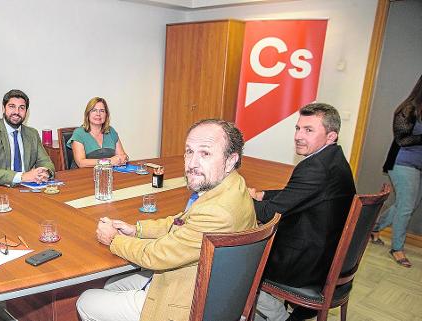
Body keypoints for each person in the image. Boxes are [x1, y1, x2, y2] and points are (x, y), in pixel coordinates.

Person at [76, 119, 257, 321]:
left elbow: (156, 255)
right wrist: (136, 230)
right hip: (206, 283)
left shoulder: (217, 213)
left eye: (205, 153)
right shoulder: (234, 185)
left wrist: (113, 239)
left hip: (189, 303)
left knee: (86, 300)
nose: (192, 163)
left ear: (231, 160)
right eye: (189, 151)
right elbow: (181, 222)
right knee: (111, 285)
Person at [250, 103, 356, 321]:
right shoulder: (333, 159)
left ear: (330, 136)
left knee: (238, 262)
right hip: (326, 254)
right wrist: (262, 195)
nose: (299, 136)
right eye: (298, 128)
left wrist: (237, 197)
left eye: (309, 130)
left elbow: (269, 213)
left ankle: (279, 316)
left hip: (306, 264)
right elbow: (300, 192)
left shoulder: (316, 167)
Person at [372, 74, 422, 268]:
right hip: (402, 163)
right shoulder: (408, 108)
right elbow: (402, 139)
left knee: (406, 204)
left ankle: (374, 228)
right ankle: (397, 248)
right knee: (406, 207)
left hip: (418, 166)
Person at [0, 89, 55, 187]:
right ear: (3, 108)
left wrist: (45, 172)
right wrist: (23, 176)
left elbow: (45, 161)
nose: (16, 112)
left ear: (26, 111)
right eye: (12, 107)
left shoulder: (32, 134)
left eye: (21, 108)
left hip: (25, 188)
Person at [67, 97, 129, 168]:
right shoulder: (79, 133)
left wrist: (124, 158)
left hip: (108, 174)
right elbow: (81, 163)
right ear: (88, 114)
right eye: (94, 110)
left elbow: (122, 155)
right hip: (83, 175)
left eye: (102, 111)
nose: (98, 114)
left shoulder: (111, 131)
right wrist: (109, 161)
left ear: (106, 114)